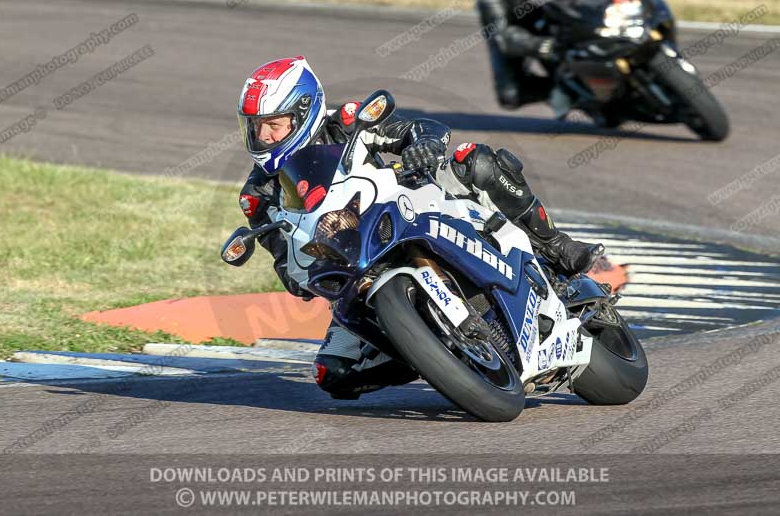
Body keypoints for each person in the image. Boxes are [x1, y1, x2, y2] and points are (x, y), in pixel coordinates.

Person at [236, 56, 603, 399]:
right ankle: (430, 353)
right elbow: (285, 263)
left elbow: (424, 129)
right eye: (256, 126)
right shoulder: (259, 193)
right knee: (332, 374)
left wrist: (423, 146)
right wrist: (301, 271)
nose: (264, 136)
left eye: (273, 124)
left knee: (476, 162)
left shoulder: (347, 124)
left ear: (304, 113)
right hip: (354, 266)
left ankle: (555, 245)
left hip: (410, 204)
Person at [476, 0, 632, 109]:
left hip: (566, 5)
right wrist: (547, 46)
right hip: (527, 32)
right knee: (510, 94)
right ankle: (574, 93)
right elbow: (501, 36)